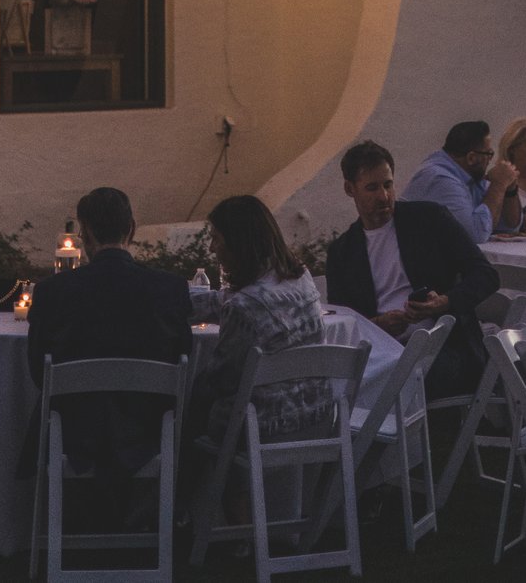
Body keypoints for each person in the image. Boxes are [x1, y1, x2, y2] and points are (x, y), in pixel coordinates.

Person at [26, 187, 193, 482]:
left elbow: (38, 373)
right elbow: (183, 363)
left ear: (85, 232)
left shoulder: (53, 291)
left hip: (74, 434)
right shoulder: (171, 289)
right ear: (131, 229)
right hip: (148, 431)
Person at [325, 141, 497, 399]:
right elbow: (345, 318)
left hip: (442, 346)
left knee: (396, 380)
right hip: (380, 352)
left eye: (388, 184)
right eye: (371, 187)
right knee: (337, 385)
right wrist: (377, 325)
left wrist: (444, 302)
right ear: (350, 189)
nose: (383, 196)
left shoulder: (428, 219)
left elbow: (486, 274)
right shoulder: (343, 251)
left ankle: (388, 435)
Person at [187, 195, 330, 447]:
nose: (210, 248)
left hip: (260, 429)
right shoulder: (301, 279)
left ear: (238, 244)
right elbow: (225, 300)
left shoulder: (243, 307)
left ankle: (180, 483)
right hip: (316, 419)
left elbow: (219, 381)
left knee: (183, 406)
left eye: (216, 239)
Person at [402, 119, 514, 242]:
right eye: (488, 154)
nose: (490, 161)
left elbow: (507, 227)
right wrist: (498, 185)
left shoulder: (469, 175)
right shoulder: (440, 179)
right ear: (471, 158)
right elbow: (476, 235)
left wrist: (510, 191)